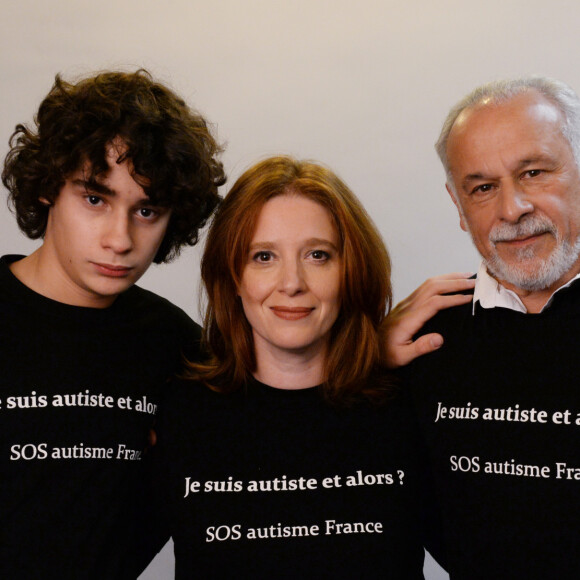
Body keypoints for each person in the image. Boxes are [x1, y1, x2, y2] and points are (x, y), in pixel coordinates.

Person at [154, 156, 445, 578]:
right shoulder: (177, 409)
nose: (292, 282)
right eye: (264, 256)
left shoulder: (409, 406)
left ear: (351, 270)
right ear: (233, 275)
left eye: (318, 255)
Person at [0, 69, 224, 578]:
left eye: (146, 210)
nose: (120, 239)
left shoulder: (179, 347)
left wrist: (371, 355)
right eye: (95, 199)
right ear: (47, 188)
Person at [392, 77, 580, 579]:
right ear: (458, 205)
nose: (512, 209)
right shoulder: (421, 339)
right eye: (482, 188)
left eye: (534, 172)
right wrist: (365, 362)